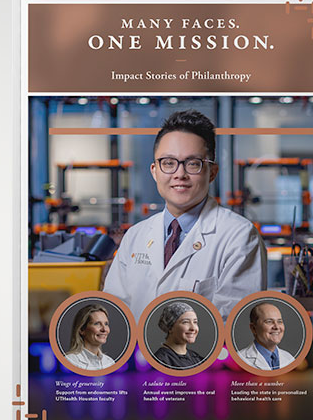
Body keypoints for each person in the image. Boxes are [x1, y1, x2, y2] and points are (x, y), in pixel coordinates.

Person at [103, 110, 264, 315]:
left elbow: (233, 325)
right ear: (154, 171)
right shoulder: (135, 236)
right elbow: (114, 313)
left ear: (212, 173)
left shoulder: (239, 236)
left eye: (193, 164)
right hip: (137, 349)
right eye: (169, 163)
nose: (180, 174)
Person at [235, 300, 295, 370]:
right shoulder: (239, 360)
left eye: (279, 321)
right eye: (269, 321)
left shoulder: (289, 358)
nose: (277, 327)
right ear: (253, 328)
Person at [150, 300, 205, 369]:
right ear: (170, 327)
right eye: (185, 322)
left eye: (195, 322)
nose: (193, 328)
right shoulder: (160, 361)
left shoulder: (196, 358)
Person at [63, 304, 116, 370]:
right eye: (97, 324)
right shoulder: (70, 361)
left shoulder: (110, 362)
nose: (104, 329)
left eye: (106, 324)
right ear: (82, 329)